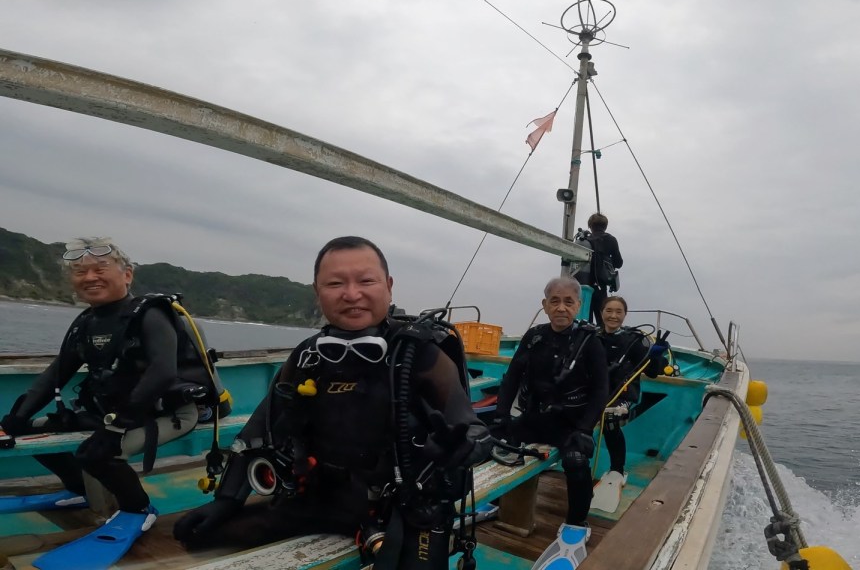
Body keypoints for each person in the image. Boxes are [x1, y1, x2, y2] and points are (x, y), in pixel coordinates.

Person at [173, 236, 492, 570]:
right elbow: (259, 428)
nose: (351, 294)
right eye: (335, 283)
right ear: (317, 292)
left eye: (366, 281)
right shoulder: (307, 356)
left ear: (388, 286)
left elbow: (472, 428)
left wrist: (468, 443)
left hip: (402, 507)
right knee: (197, 534)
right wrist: (227, 499)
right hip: (318, 499)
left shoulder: (420, 354)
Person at [0, 237, 200, 525]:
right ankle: (78, 491)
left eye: (100, 269)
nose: (90, 277)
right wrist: (15, 419)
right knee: (29, 433)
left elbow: (163, 372)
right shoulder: (86, 323)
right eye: (80, 272)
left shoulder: (151, 315)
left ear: (127, 275)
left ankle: (139, 510)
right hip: (111, 413)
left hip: (168, 412)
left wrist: (115, 428)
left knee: (98, 455)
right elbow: (55, 375)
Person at [492, 276, 608, 533]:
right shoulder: (534, 336)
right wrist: (501, 416)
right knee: (492, 443)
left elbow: (601, 390)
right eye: (554, 301)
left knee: (576, 463)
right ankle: (494, 502)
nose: (561, 308)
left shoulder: (590, 341)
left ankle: (577, 522)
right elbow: (512, 377)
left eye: (568, 302)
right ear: (545, 305)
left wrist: (585, 429)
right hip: (536, 418)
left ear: (578, 306)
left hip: (571, 424)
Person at [596, 296, 669, 480]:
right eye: (609, 311)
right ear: (601, 313)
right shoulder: (593, 337)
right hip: (597, 390)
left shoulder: (634, 340)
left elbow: (652, 373)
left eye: (618, 312)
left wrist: (655, 356)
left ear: (625, 315)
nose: (613, 316)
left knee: (610, 419)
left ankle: (617, 470)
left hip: (623, 393)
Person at [580, 213, 623, 324]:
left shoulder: (584, 240)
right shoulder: (611, 240)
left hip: (583, 285)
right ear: (605, 226)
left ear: (590, 226)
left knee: (584, 321)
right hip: (600, 285)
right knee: (603, 322)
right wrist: (608, 262)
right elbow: (619, 263)